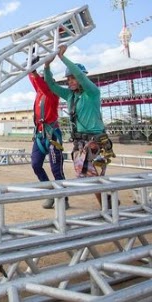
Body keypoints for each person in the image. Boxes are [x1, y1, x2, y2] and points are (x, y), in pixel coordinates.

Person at [44, 45, 115, 208]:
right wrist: (47, 67)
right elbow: (51, 85)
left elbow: (81, 77)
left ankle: (107, 203)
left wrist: (63, 58)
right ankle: (107, 202)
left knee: (92, 175)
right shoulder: (70, 95)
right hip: (80, 143)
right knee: (89, 176)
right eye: (68, 80)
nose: (70, 81)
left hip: (95, 141)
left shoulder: (92, 93)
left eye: (72, 78)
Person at [27, 57, 68, 209]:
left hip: (52, 136)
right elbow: (33, 79)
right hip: (39, 135)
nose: (40, 82)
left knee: (56, 169)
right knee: (36, 165)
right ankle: (50, 192)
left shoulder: (52, 94)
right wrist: (30, 66)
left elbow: (40, 84)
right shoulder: (39, 93)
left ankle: (63, 197)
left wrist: (35, 72)